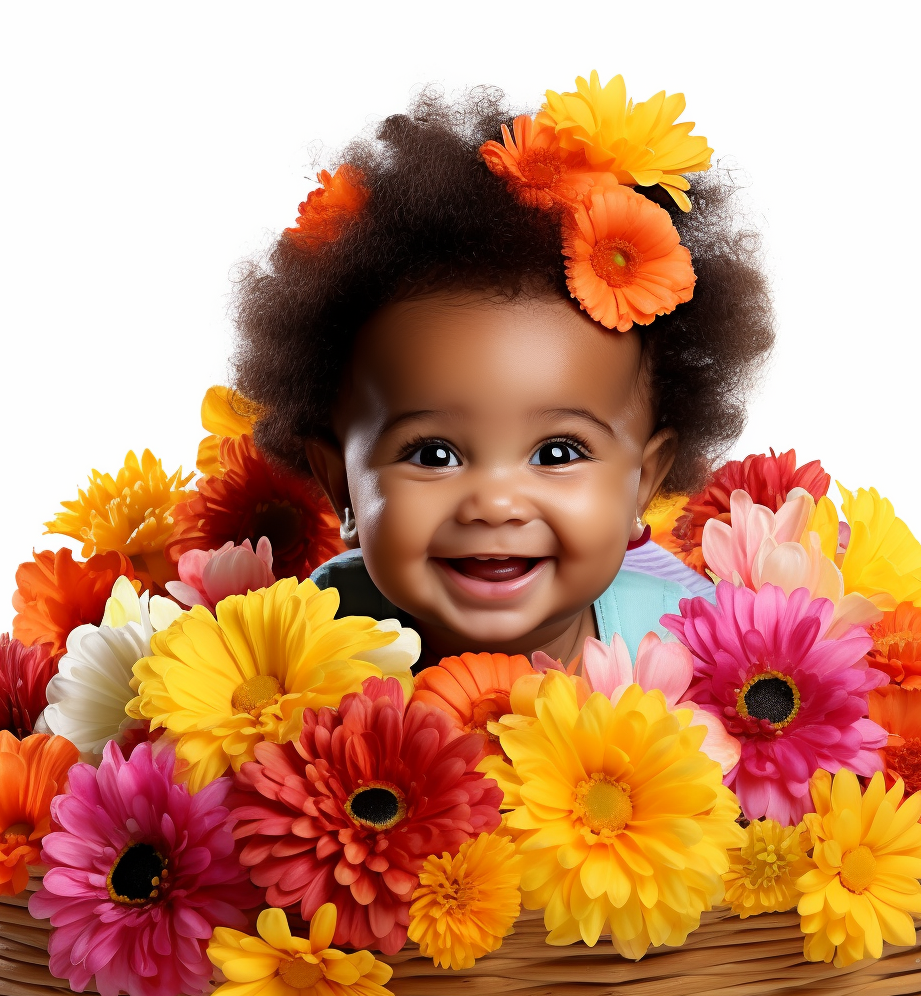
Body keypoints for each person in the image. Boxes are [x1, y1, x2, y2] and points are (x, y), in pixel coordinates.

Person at [230, 73, 773, 669]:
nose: (495, 504)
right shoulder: (299, 651)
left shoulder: (702, 650)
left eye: (559, 453)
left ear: (642, 482)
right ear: (342, 488)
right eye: (433, 454)